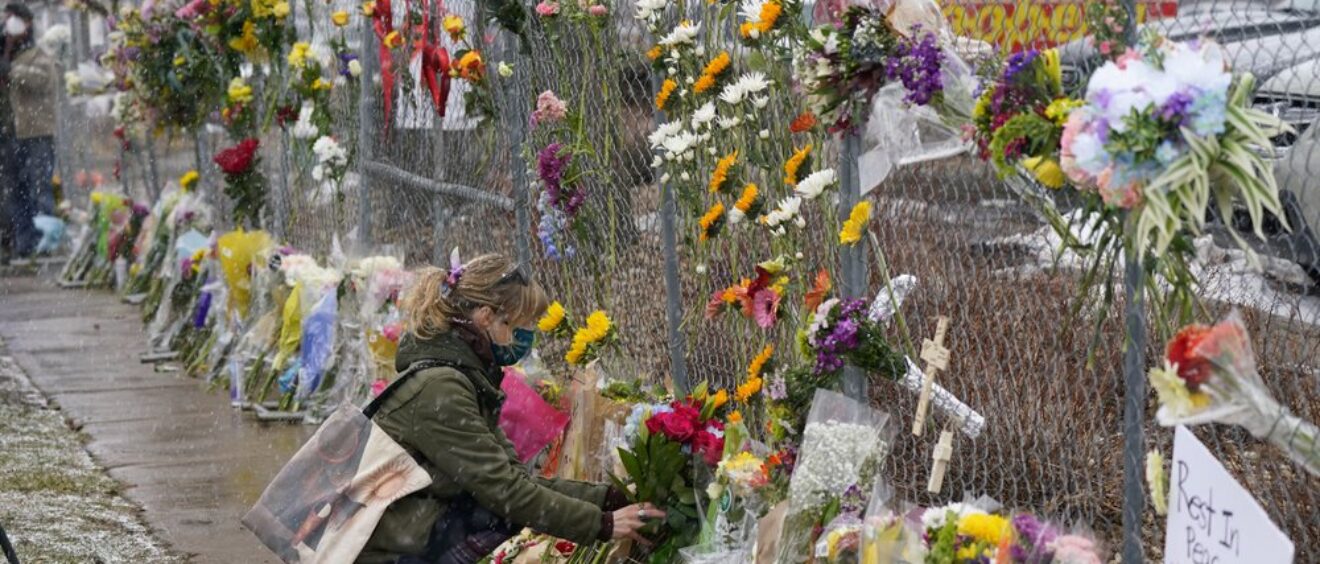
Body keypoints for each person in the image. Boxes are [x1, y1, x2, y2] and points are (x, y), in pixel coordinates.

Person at [358, 254, 663, 563]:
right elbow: (505, 492)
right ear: (487, 317)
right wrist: (603, 525)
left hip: (412, 538)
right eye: (520, 325)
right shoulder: (441, 388)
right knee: (498, 514)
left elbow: (517, 479)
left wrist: (609, 498)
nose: (526, 336)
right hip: (389, 553)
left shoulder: (462, 376)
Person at [2, 3, 56, 260]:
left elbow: (44, 79)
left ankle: (46, 242)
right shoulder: (6, 52)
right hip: (10, 133)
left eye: (13, 18)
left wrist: (13, 70)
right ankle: (24, 243)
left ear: (27, 23)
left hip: (36, 132)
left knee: (39, 188)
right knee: (15, 190)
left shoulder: (37, 53)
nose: (8, 23)